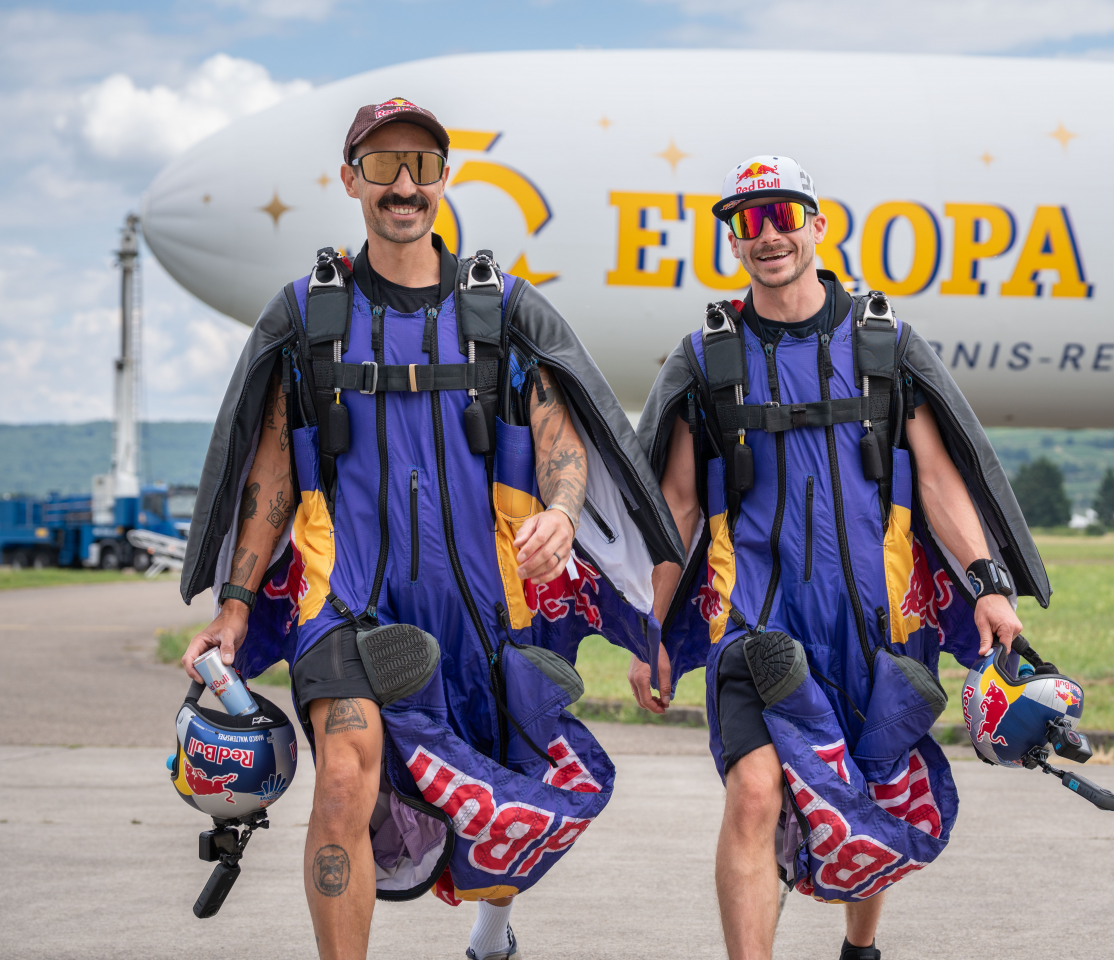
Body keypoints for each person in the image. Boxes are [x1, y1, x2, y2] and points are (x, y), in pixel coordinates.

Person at [178, 98, 680, 960]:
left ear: (446, 179)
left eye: (420, 165)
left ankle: (492, 933)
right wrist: (233, 600)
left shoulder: (502, 313)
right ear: (350, 180)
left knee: (494, 805)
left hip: (481, 609)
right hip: (346, 602)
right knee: (342, 779)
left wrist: (561, 514)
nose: (402, 184)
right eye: (381, 165)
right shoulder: (309, 318)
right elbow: (268, 470)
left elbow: (563, 437)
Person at [630, 156, 1051, 960]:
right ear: (732, 241)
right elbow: (676, 504)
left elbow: (938, 479)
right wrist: (651, 623)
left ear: (820, 226)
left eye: (783, 215)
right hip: (753, 624)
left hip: (876, 620)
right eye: (747, 223)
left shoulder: (883, 346)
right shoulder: (706, 358)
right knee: (755, 795)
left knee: (871, 789)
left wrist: (989, 587)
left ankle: (860, 948)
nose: (768, 235)